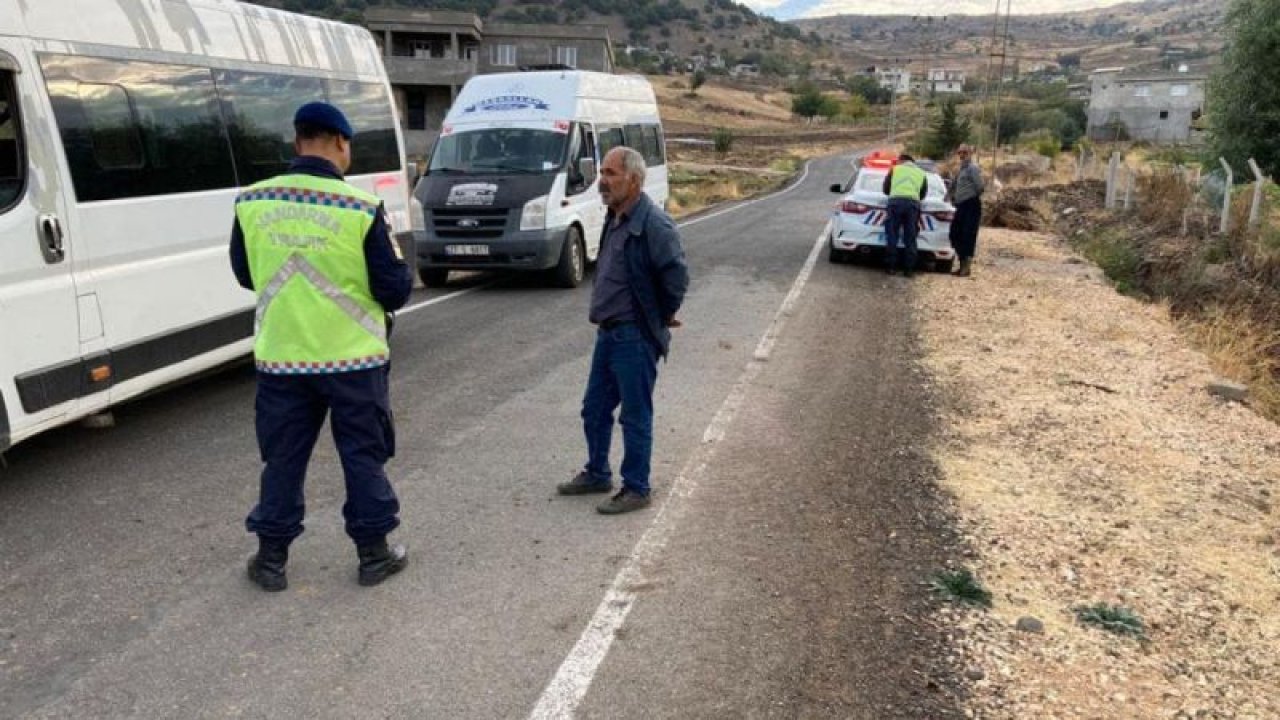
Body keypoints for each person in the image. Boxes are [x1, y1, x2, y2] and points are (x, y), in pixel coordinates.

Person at [229, 102, 413, 591]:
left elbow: (245, 273)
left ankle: (270, 560)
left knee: (283, 460)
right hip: (353, 358)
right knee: (362, 455)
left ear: (297, 142)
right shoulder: (360, 208)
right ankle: (374, 555)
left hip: (282, 358)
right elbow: (394, 288)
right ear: (340, 143)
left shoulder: (251, 202)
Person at [556, 147, 689, 514]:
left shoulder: (654, 224)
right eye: (602, 172)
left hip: (634, 336)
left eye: (611, 173)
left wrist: (661, 315)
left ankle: (637, 487)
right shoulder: (615, 217)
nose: (603, 180)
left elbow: (676, 276)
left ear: (634, 180)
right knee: (594, 409)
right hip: (609, 334)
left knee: (634, 415)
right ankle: (598, 472)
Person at [881, 153, 929, 277]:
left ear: (902, 161)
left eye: (898, 161)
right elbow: (922, 194)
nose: (897, 163)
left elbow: (885, 189)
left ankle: (891, 267)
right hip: (913, 205)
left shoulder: (895, 169)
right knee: (910, 237)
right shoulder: (921, 173)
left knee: (892, 234)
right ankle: (909, 270)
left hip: (895, 203)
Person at [948, 144, 985, 277]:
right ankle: (962, 262)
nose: (962, 155)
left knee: (968, 235)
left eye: (964, 152)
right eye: (960, 153)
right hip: (960, 205)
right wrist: (947, 198)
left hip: (971, 205)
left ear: (970, 153)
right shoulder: (961, 170)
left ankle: (965, 268)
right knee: (955, 234)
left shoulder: (972, 168)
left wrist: (969, 197)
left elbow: (980, 187)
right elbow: (953, 187)